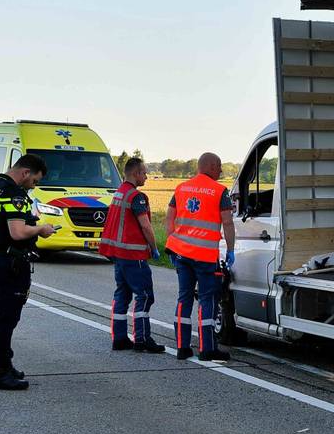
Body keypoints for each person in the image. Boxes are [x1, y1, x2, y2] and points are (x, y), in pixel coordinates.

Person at [0, 153, 56, 390]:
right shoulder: (14, 194)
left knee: (4, 315)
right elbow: (18, 232)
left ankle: (4, 363)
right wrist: (40, 228)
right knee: (6, 318)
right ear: (25, 173)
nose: (34, 186)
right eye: (35, 181)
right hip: (9, 263)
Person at [165, 152, 236, 361]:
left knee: (184, 298)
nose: (221, 171)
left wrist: (171, 242)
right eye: (220, 166)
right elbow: (228, 222)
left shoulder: (181, 188)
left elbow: (170, 215)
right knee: (208, 300)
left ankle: (182, 347)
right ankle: (207, 349)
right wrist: (230, 249)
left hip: (181, 254)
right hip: (205, 257)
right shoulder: (219, 191)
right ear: (212, 166)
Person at [99, 157, 166, 353]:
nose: (146, 176)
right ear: (136, 174)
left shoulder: (119, 193)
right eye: (144, 173)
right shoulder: (136, 196)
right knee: (144, 296)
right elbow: (145, 225)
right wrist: (154, 248)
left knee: (122, 295)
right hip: (133, 254)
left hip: (118, 255)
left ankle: (119, 338)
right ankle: (142, 339)